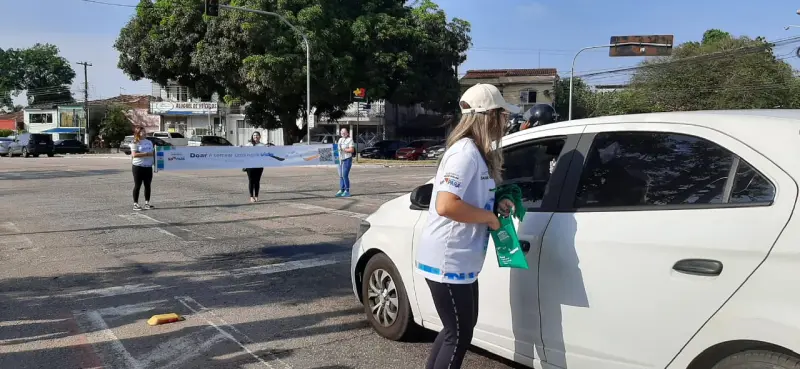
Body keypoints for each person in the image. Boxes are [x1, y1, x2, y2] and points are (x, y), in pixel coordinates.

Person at [415, 83, 518, 369]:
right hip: (448, 259)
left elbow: (468, 198)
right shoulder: (465, 153)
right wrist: (490, 219)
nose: (506, 122)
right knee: (458, 334)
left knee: (456, 331)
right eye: (503, 115)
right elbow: (446, 205)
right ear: (489, 116)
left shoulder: (476, 152)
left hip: (460, 260)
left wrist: (494, 205)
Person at [130, 126, 155, 211]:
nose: (143, 133)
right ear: (137, 133)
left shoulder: (149, 142)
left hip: (148, 167)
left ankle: (147, 203)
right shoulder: (135, 142)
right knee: (137, 185)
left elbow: (153, 153)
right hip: (138, 167)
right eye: (141, 132)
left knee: (147, 185)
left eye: (144, 131)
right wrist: (147, 154)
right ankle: (135, 204)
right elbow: (134, 155)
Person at [244, 131, 265, 203]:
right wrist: (240, 148)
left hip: (259, 165)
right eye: (254, 135)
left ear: (260, 137)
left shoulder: (263, 145)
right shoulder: (248, 145)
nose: (255, 136)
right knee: (251, 181)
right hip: (250, 165)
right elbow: (242, 152)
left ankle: (256, 196)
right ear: (252, 137)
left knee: (257, 181)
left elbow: (267, 153)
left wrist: (269, 148)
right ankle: (251, 197)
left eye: (257, 135)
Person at [335, 128, 355, 197]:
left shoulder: (350, 140)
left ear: (347, 133)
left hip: (347, 159)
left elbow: (352, 150)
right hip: (340, 159)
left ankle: (347, 191)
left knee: (344, 175)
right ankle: (342, 189)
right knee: (340, 175)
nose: (343, 133)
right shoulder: (340, 140)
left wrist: (344, 149)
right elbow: (337, 149)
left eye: (344, 132)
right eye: (342, 132)